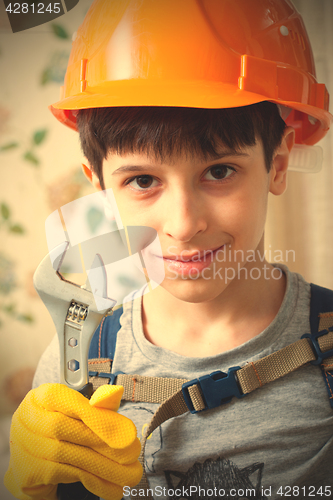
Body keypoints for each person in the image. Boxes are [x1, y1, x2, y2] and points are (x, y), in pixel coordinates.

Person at [5, 1, 333, 499]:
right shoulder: (80, 354)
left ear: (278, 164)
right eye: (142, 180)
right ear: (100, 190)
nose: (183, 225)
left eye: (219, 171)